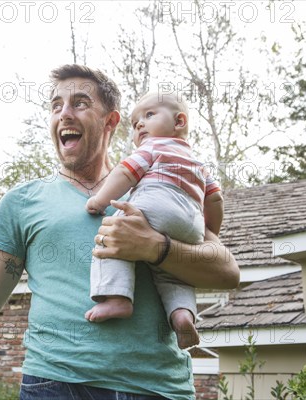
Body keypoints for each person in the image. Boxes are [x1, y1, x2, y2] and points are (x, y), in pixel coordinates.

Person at [0, 64, 239, 400]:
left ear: (111, 121)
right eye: (55, 106)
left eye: (79, 103)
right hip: (57, 384)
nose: (63, 114)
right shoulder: (23, 202)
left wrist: (155, 247)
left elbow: (226, 271)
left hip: (160, 388)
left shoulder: (157, 184)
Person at [84, 91, 224, 350]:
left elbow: (125, 172)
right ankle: (182, 316)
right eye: (136, 122)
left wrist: (100, 200)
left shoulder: (153, 146)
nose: (139, 124)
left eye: (148, 115)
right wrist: (209, 230)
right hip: (191, 223)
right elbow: (215, 200)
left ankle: (117, 297)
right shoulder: (199, 164)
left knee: (113, 234)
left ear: (179, 122)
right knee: (175, 275)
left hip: (156, 204)